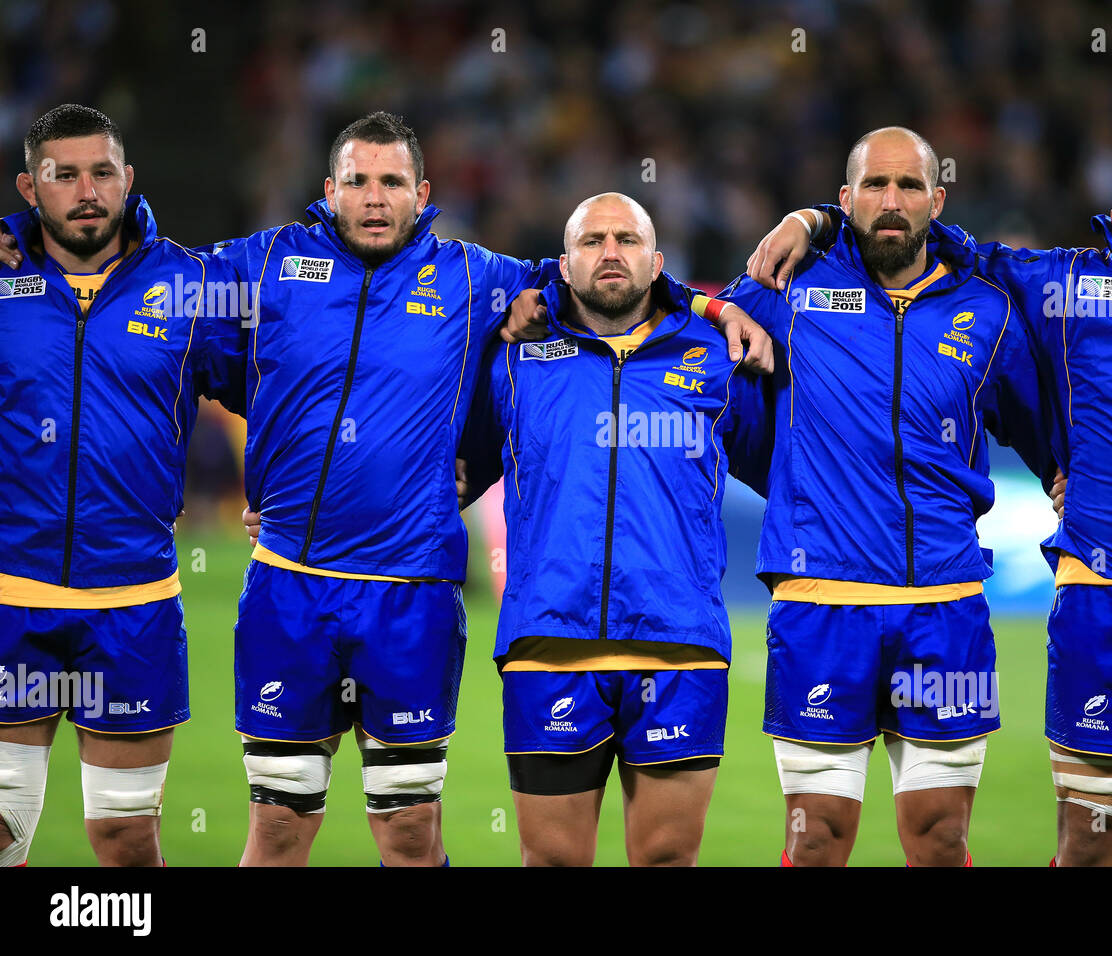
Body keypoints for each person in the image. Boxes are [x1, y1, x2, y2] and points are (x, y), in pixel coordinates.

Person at [217, 113, 773, 867]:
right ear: (329, 189)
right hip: (352, 596)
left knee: (417, 833)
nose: (375, 198)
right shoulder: (271, 263)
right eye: (358, 181)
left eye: (392, 182)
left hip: (539, 616)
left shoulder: (488, 282)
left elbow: (779, 465)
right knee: (279, 828)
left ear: (423, 193)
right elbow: (175, 324)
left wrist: (713, 304)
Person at [755, 148, 1112, 867]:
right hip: (1103, 605)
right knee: (1086, 846)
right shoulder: (1060, 286)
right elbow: (923, 237)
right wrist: (817, 218)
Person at [720, 128, 1056, 867]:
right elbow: (718, 371)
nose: (892, 202)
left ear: (938, 200)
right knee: (818, 844)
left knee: (941, 841)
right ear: (845, 201)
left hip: (947, 605)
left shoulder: (989, 311)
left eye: (910, 187)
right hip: (820, 604)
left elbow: (1044, 431)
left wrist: (1065, 478)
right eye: (874, 186)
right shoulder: (789, 289)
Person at [457, 192, 770, 866]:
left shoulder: (717, 355)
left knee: (665, 860)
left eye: (627, 240)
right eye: (591, 241)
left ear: (657, 263)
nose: (609, 252)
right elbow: (451, 471)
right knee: (553, 862)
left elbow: (787, 471)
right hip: (549, 642)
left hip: (678, 643)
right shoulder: (513, 355)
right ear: (560, 267)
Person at [0, 104, 246, 867]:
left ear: (128, 178)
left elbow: (276, 393)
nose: (86, 190)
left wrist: (280, 490)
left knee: (127, 840)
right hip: (11, 598)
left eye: (102, 171)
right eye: (63, 174)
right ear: (29, 186)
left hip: (134, 606)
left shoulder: (189, 287)